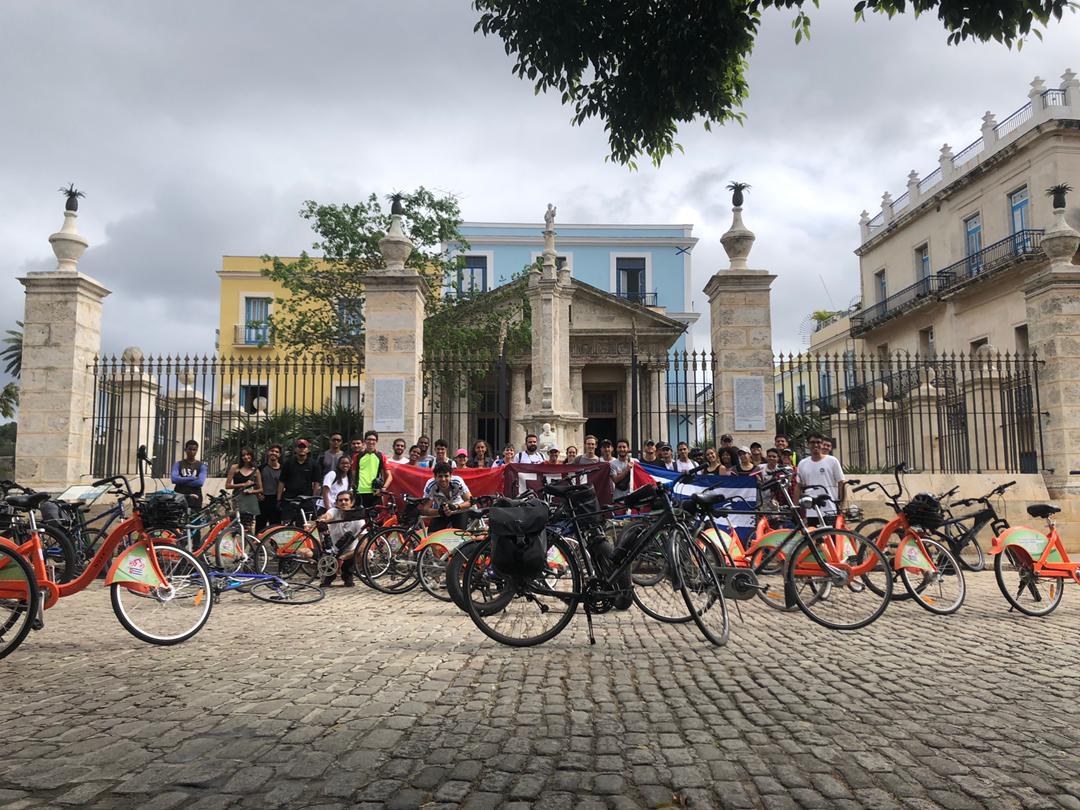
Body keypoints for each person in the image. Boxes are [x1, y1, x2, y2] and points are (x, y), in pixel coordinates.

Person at [316, 490, 365, 587]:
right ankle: (329, 575)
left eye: (346, 500)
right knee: (325, 582)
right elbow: (327, 516)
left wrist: (344, 557)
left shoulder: (359, 520)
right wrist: (323, 520)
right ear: (337, 503)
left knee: (364, 556)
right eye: (340, 500)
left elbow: (363, 544)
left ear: (352, 503)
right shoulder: (334, 511)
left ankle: (349, 573)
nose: (343, 502)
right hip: (333, 554)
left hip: (350, 554)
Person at [795, 434, 846, 524]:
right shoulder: (802, 463)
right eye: (812, 442)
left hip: (831, 509)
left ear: (822, 444)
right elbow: (799, 486)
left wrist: (842, 504)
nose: (815, 445)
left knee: (832, 533)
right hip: (811, 511)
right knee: (814, 533)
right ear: (808, 444)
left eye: (818, 442)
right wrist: (795, 507)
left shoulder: (832, 461)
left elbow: (841, 483)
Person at [420, 462, 472, 532]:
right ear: (435, 477)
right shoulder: (430, 485)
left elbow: (470, 501)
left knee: (459, 534)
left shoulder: (458, 481)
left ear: (451, 476)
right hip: (440, 511)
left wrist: (456, 507)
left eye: (446, 476)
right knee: (431, 534)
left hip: (458, 510)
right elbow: (425, 509)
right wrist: (440, 511)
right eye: (440, 476)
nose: (443, 479)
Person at [278, 439, 321, 524]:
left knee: (303, 525)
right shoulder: (288, 463)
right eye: (299, 447)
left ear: (308, 449)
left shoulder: (314, 464)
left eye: (304, 447)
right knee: (287, 524)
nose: (302, 449)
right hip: (289, 499)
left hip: (305, 500)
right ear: (295, 449)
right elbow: (281, 481)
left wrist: (313, 498)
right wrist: (278, 499)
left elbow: (317, 482)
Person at [353, 430, 392, 510]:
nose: (371, 442)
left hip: (375, 493)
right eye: (369, 439)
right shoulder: (357, 456)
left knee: (377, 517)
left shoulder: (381, 456)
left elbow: (390, 476)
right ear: (365, 441)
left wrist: (383, 489)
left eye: (373, 440)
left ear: (376, 441)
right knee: (361, 517)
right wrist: (354, 488)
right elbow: (353, 474)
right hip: (360, 493)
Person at [225, 447, 262, 530]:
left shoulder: (255, 471)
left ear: (252, 455)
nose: (246, 457)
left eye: (248, 454)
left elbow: (261, 489)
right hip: (237, 499)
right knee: (236, 526)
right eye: (243, 455)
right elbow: (227, 485)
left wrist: (251, 491)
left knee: (248, 527)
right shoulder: (235, 468)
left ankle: (247, 538)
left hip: (250, 500)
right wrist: (243, 484)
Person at [171, 440, 208, 509]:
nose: (192, 452)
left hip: (195, 500)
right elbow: (174, 479)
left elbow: (200, 482)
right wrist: (192, 478)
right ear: (185, 450)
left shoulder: (201, 466)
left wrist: (181, 480)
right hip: (179, 498)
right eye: (190, 449)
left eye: (194, 450)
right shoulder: (178, 464)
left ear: (197, 450)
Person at [256, 444, 283, 533]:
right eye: (272, 451)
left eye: (276, 452)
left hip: (276, 500)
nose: (274, 453)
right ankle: (258, 541)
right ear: (268, 452)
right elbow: (256, 483)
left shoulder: (283, 469)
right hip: (263, 499)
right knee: (260, 527)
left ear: (279, 455)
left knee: (275, 528)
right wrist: (258, 494)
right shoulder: (261, 468)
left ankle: (275, 542)